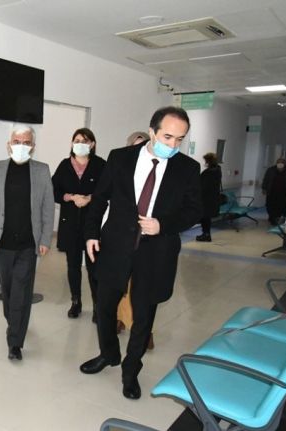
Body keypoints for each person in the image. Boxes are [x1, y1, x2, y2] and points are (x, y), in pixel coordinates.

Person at [79, 106, 202, 400]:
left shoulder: (187, 168)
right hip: (115, 246)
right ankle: (108, 354)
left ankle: (131, 370)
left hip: (156, 252)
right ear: (152, 132)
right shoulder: (120, 158)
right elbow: (100, 198)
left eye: (180, 139)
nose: (173, 145)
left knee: (143, 315)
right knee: (104, 306)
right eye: (167, 137)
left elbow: (195, 210)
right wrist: (91, 233)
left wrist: (163, 225)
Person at [0, 124, 54, 361]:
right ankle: (14, 321)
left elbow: (47, 207)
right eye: (17, 142)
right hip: (1, 244)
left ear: (33, 146)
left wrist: (45, 239)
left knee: (21, 292)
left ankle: (15, 342)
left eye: (26, 142)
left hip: (28, 244)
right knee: (8, 291)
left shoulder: (42, 171)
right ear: (9, 145)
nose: (21, 146)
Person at [51, 128, 106, 320]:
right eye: (77, 140)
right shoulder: (64, 165)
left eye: (85, 140)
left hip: (93, 223)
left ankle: (98, 306)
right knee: (73, 266)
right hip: (70, 223)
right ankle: (76, 302)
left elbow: (107, 190)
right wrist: (71, 197)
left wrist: (90, 198)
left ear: (92, 144)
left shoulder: (100, 165)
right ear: (72, 143)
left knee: (94, 267)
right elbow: (53, 190)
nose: (80, 144)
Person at [116, 131, 155, 352]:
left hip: (148, 238)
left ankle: (144, 330)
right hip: (124, 236)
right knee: (122, 285)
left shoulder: (157, 172)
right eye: (135, 145)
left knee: (143, 289)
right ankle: (121, 319)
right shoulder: (122, 168)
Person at [196, 152, 223, 242]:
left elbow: (202, 186)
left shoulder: (208, 172)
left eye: (206, 160)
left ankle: (206, 235)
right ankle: (206, 234)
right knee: (206, 217)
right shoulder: (218, 170)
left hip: (206, 199)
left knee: (205, 217)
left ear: (208, 161)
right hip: (213, 198)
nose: (205, 162)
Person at [262, 158, 286, 225]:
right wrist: (264, 188)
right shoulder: (271, 170)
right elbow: (266, 179)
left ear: (285, 164)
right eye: (278, 162)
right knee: (270, 206)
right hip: (272, 192)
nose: (280, 164)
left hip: (284, 193)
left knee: (283, 206)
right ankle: (272, 219)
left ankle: (282, 219)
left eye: (282, 162)